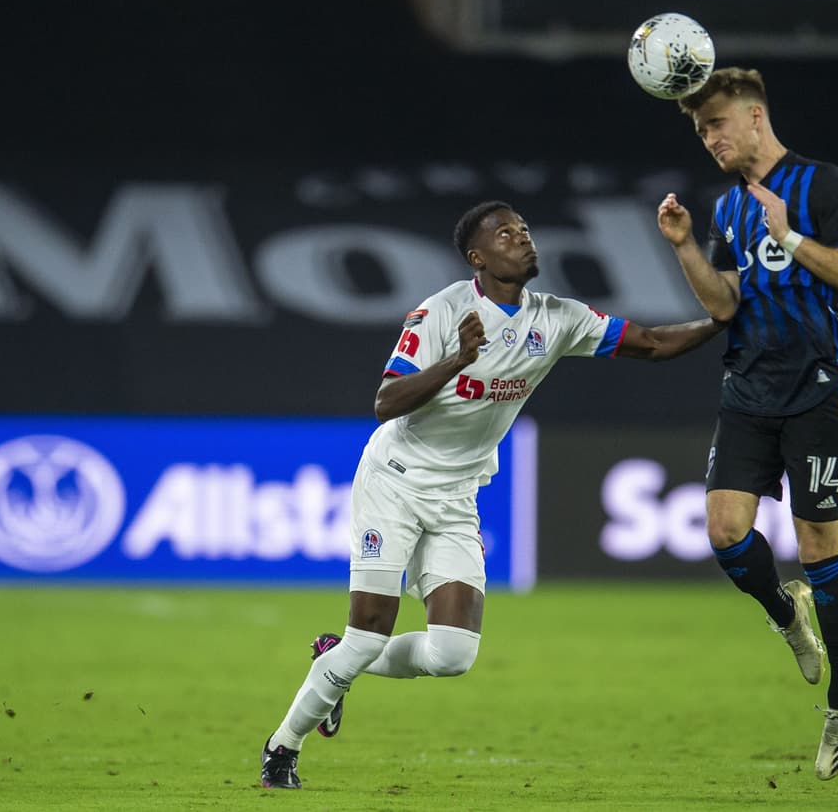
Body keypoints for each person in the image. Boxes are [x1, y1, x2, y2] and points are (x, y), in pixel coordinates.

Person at [260, 200, 726, 789]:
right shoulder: (441, 311)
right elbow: (386, 402)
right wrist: (458, 359)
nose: (524, 240)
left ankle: (334, 656)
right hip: (395, 483)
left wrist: (722, 321)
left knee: (451, 654)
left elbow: (655, 342)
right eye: (507, 234)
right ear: (478, 257)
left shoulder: (558, 318)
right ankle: (282, 748)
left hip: (457, 497)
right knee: (370, 631)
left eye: (526, 231)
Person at [655, 67, 838, 781]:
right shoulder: (727, 209)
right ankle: (787, 615)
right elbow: (724, 305)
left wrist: (795, 235)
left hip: (818, 386)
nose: (710, 138)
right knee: (723, 530)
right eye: (700, 130)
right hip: (748, 383)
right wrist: (686, 244)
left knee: (821, 546)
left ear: (755, 117)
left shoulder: (819, 184)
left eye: (717, 124)